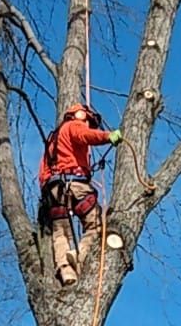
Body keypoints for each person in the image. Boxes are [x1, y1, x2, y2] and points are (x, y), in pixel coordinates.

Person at [38, 104, 121, 285]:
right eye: (88, 121)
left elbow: (43, 173)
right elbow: (85, 136)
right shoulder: (75, 125)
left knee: (60, 232)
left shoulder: (53, 140)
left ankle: (65, 269)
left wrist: (46, 192)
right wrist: (108, 136)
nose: (89, 125)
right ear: (81, 115)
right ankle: (81, 256)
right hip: (76, 185)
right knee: (96, 225)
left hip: (54, 191)